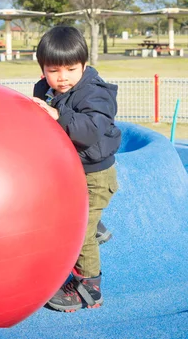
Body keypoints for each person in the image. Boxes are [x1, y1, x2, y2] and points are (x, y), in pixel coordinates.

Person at [31, 25, 121, 312]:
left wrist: (59, 115)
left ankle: (88, 289)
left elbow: (90, 129)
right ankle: (95, 227)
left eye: (70, 69)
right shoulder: (45, 89)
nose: (62, 77)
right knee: (56, 211)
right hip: (70, 171)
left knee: (79, 233)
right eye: (53, 69)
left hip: (95, 175)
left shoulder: (95, 94)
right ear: (43, 68)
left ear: (83, 65)